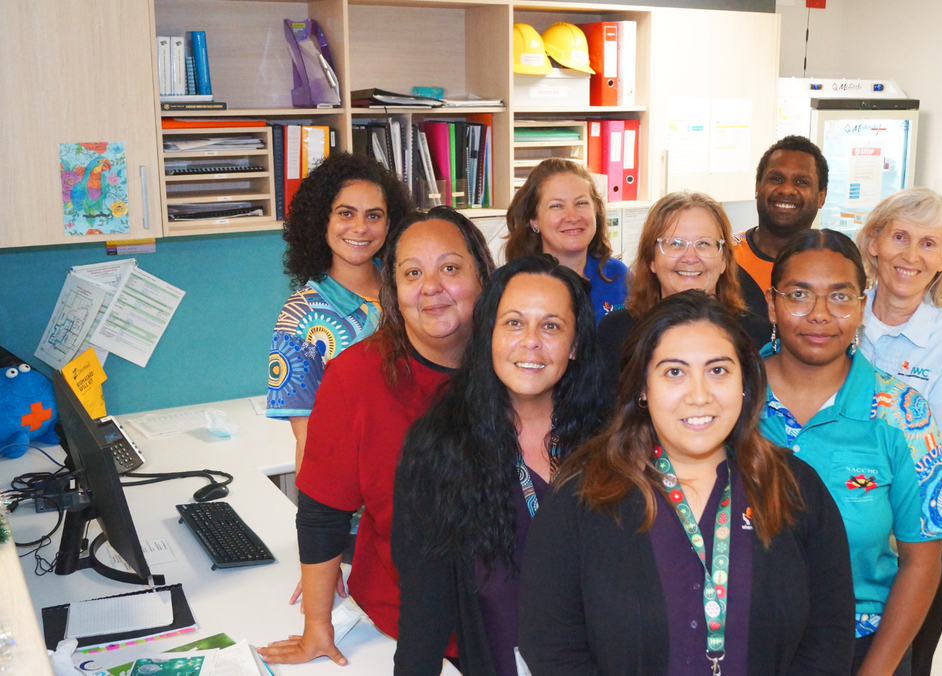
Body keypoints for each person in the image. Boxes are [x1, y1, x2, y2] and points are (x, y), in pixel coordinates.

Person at [519, 289, 855, 676]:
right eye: (675, 372)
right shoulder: (582, 495)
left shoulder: (796, 488)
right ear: (643, 387)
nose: (699, 396)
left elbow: (830, 633)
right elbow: (550, 644)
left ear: (744, 382)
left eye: (718, 371)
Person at [258, 207, 494, 667]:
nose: (431, 287)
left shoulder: (518, 367)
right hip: (400, 619)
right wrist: (317, 626)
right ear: (393, 291)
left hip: (507, 618)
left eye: (450, 268)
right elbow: (323, 512)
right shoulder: (356, 377)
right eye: (412, 273)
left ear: (482, 275)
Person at [392, 254, 609, 676]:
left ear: (575, 345)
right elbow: (424, 610)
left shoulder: (613, 445)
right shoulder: (440, 449)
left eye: (551, 326)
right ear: (488, 333)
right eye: (513, 323)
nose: (531, 341)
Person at [759, 229, 942, 676]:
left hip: (861, 646)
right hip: (740, 641)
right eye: (799, 295)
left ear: (862, 305)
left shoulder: (903, 415)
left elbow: (922, 560)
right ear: (772, 304)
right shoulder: (728, 399)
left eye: (840, 297)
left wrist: (875, 671)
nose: (819, 314)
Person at [854, 188, 942, 676]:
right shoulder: (839, 321)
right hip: (834, 532)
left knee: (903, 665)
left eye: (929, 244)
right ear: (873, 243)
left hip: (908, 548)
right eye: (899, 237)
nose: (911, 255)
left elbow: (934, 462)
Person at [267, 152, 414, 471]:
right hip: (350, 486)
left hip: (426, 477)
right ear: (324, 220)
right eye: (346, 213)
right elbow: (309, 438)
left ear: (389, 224)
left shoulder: (410, 291)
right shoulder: (301, 316)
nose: (360, 228)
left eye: (373, 216)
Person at [597, 191, 772, 388]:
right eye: (675, 243)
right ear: (651, 259)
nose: (690, 258)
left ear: (724, 260)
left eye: (703, 244)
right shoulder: (615, 333)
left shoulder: (759, 337)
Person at [504, 158, 628, 324]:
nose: (573, 217)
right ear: (534, 220)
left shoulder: (619, 276)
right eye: (556, 206)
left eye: (581, 203)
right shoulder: (511, 286)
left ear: (596, 210)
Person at [732, 135, 829, 315]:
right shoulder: (724, 258)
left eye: (801, 182)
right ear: (757, 187)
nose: (786, 190)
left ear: (821, 196)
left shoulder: (833, 266)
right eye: (776, 179)